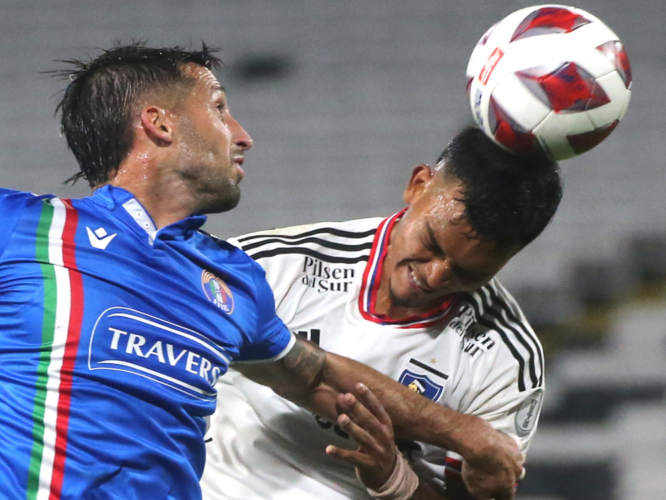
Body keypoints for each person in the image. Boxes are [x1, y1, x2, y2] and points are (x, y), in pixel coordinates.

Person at [0, 44, 522, 500]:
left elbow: (319, 379)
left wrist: (464, 433)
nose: (243, 135)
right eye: (218, 107)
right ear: (157, 124)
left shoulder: (232, 283)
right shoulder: (12, 226)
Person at [201, 127, 562, 500]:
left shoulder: (505, 361)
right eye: (431, 243)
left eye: (469, 272)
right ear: (418, 185)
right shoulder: (275, 264)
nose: (434, 275)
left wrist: (394, 481)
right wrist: (458, 429)